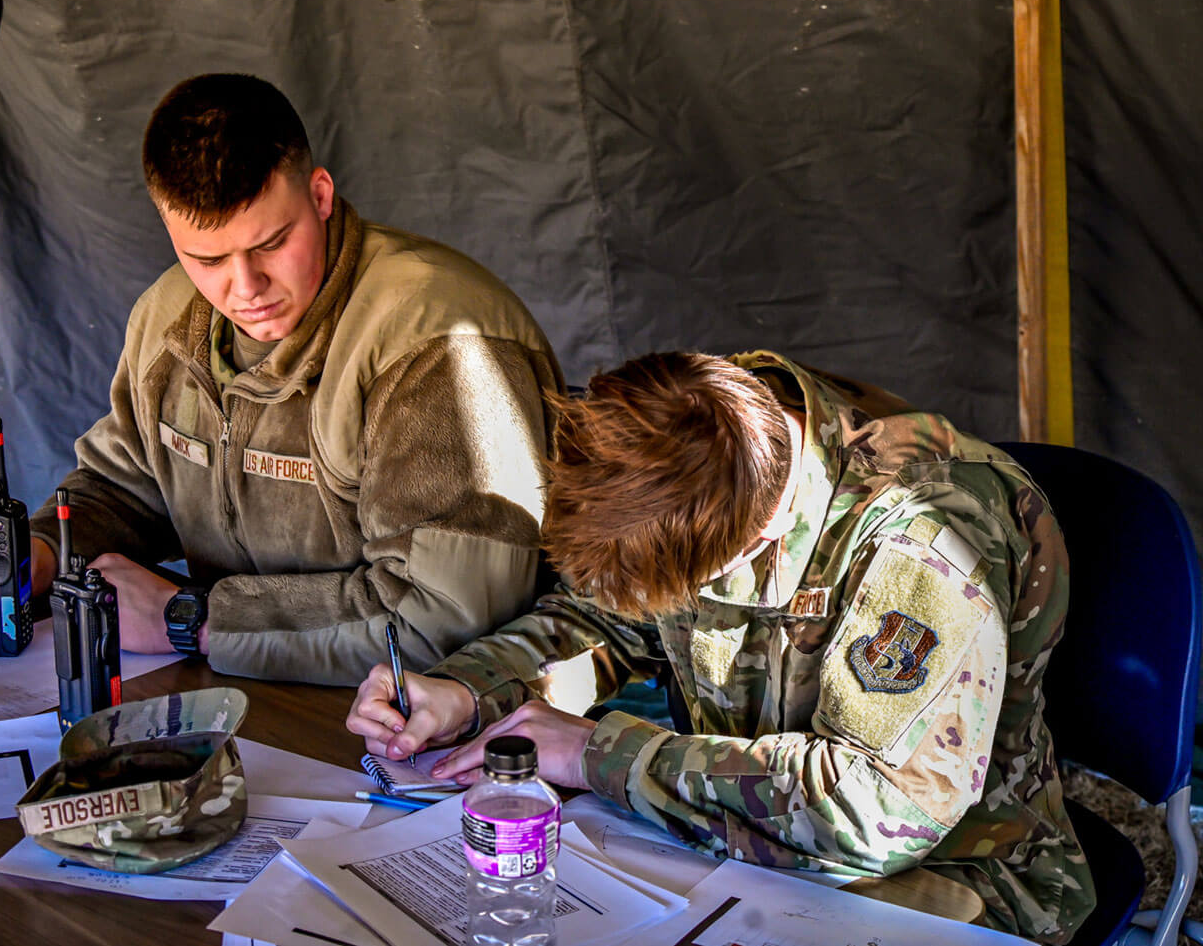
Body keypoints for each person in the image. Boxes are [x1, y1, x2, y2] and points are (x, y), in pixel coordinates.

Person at [347, 350, 1096, 943]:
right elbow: (608, 621)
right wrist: (473, 688)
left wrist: (599, 754)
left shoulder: (927, 534)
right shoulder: (696, 432)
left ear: (760, 539)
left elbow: (879, 810)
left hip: (952, 875)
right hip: (733, 841)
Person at [0, 73, 563, 684]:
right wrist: (37, 558)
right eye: (207, 257)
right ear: (169, 228)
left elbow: (446, 616)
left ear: (322, 195)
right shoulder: (168, 318)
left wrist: (188, 618)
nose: (245, 288)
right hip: (243, 688)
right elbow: (126, 487)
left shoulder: (439, 341)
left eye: (272, 243)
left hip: (437, 721)